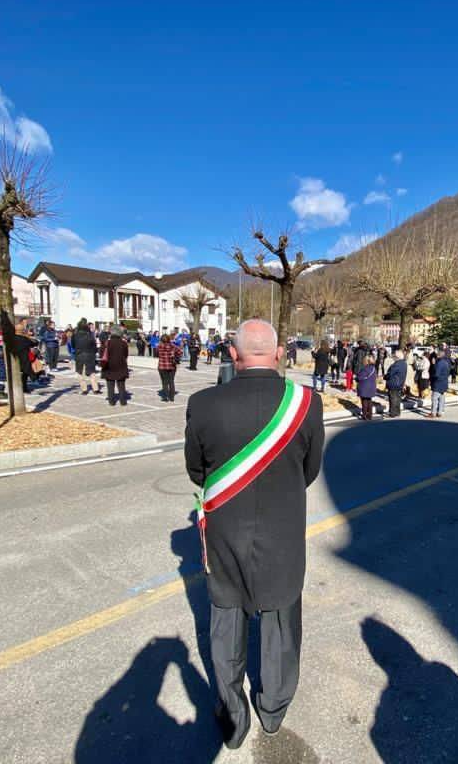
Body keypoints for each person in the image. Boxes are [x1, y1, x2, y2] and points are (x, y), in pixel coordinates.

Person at [184, 319, 323, 749]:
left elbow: (196, 471)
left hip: (225, 536)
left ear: (233, 354)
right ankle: (272, 712)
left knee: (226, 620)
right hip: (282, 537)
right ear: (280, 354)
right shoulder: (306, 403)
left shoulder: (203, 404)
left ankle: (233, 720)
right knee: (281, 623)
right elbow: (310, 471)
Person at [100, 325, 130, 406]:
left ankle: (111, 401)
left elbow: (101, 353)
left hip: (109, 366)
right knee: (121, 385)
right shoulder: (123, 343)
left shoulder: (107, 343)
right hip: (121, 365)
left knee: (110, 385)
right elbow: (126, 354)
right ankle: (123, 401)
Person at [71, 319, 101, 395]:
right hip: (89, 355)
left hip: (79, 355)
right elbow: (94, 345)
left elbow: (73, 345)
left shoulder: (75, 335)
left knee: (80, 373)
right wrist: (94, 352)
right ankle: (95, 389)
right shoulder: (89, 334)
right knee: (92, 372)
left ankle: (84, 389)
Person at [156, 332, 180, 402]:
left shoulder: (159, 346)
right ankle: (172, 397)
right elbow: (180, 351)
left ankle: (165, 397)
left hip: (162, 366)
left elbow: (156, 354)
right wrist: (175, 356)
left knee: (164, 382)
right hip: (172, 366)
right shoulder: (172, 346)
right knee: (171, 381)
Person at [385, 350, 407, 418]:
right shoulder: (404, 363)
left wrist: (385, 376)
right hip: (400, 383)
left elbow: (390, 373)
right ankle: (397, 412)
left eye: (394, 356)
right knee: (398, 398)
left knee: (393, 399)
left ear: (397, 357)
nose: (393, 357)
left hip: (394, 383)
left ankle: (393, 413)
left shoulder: (396, 364)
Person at [430, 351, 451, 418]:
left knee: (434, 398)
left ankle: (433, 413)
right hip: (444, 382)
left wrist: (433, 365)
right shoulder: (446, 362)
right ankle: (440, 412)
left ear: (439, 356)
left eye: (437, 355)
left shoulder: (439, 363)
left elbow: (436, 374)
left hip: (438, 383)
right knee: (442, 398)